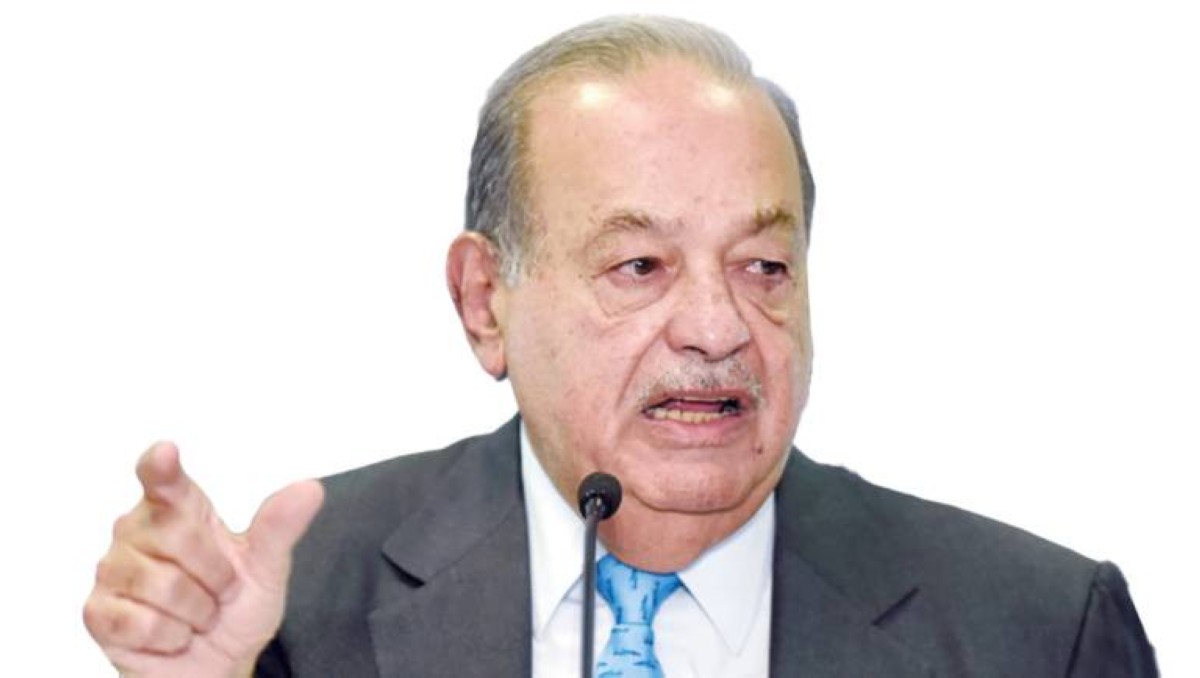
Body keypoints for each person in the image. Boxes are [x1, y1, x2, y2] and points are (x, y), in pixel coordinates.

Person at [82, 15, 1157, 677]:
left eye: (764, 266)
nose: (718, 327)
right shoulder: (302, 609)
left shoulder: (1038, 632)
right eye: (640, 265)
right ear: (485, 303)